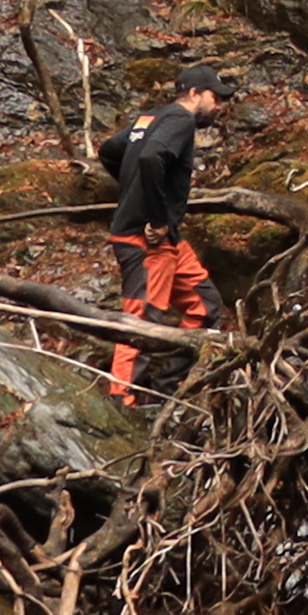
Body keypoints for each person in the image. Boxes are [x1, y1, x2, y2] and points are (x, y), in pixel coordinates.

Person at [104, 64, 228, 400]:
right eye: (214, 98)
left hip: (168, 239)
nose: (219, 106)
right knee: (142, 320)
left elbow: (110, 151)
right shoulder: (179, 120)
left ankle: (169, 388)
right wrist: (155, 217)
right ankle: (121, 404)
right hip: (146, 241)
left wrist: (136, 194)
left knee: (205, 304)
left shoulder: (149, 120)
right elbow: (150, 159)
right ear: (193, 94)